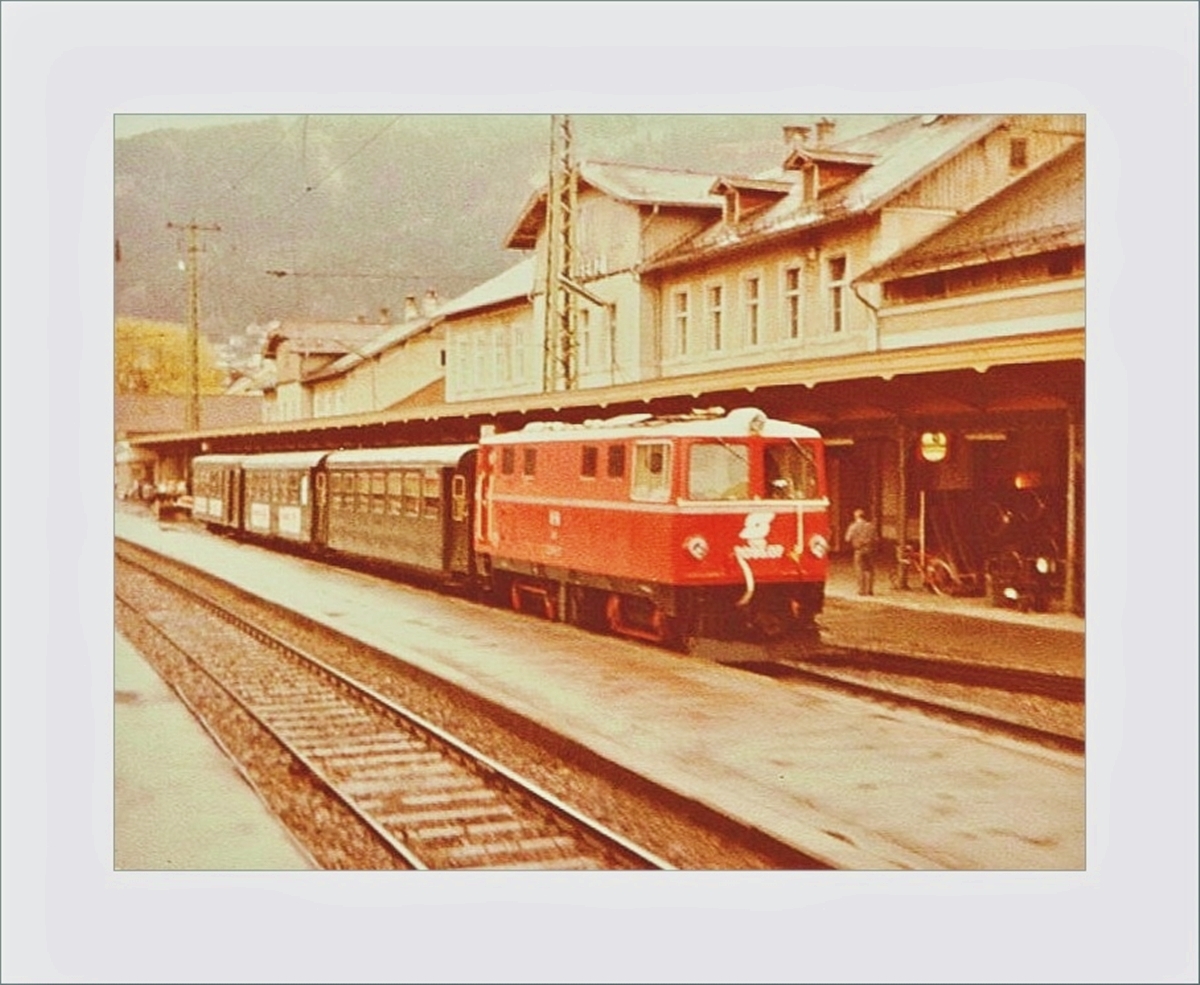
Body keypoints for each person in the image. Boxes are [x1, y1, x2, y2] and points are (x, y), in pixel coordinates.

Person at [844, 507, 879, 596]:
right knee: (870, 570)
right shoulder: (871, 526)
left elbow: (847, 539)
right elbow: (876, 538)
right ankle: (870, 590)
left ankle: (861, 590)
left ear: (856, 517)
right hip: (869, 550)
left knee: (859, 569)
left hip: (858, 550)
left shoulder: (853, 526)